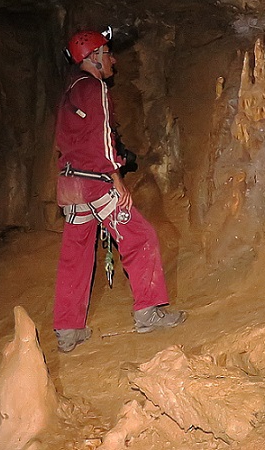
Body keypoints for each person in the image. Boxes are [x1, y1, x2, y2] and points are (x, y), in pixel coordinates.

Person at [53, 28, 186, 353]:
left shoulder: (70, 89)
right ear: (94, 57)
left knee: (75, 255)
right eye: (108, 53)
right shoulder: (94, 87)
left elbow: (66, 140)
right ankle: (148, 313)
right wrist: (116, 178)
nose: (113, 59)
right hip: (95, 182)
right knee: (140, 238)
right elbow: (101, 140)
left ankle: (68, 331)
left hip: (70, 184)